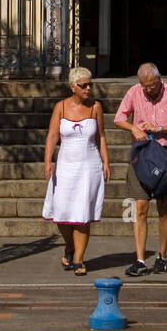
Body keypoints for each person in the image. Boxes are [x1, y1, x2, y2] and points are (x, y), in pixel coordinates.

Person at [114, 62, 167, 276]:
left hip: (165, 153)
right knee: (140, 207)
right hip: (142, 153)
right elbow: (119, 118)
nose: (147, 90)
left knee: (164, 207)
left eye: (151, 86)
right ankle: (139, 259)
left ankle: (162, 256)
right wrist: (134, 128)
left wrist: (160, 128)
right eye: (144, 85)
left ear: (159, 80)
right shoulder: (134, 92)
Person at [42, 66, 110, 275]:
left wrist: (106, 162)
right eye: (83, 85)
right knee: (61, 212)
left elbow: (101, 137)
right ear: (72, 87)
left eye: (90, 84)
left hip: (89, 167)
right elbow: (53, 136)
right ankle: (70, 246)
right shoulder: (60, 107)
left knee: (82, 214)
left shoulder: (95, 107)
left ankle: (79, 259)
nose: (88, 89)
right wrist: (47, 162)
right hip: (65, 166)